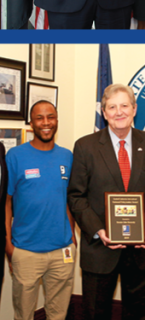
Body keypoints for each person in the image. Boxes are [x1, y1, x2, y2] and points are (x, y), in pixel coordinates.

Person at [68, 84, 145, 320]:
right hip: (100, 249)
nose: (118, 112)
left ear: (134, 109)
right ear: (104, 112)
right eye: (112, 107)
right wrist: (98, 230)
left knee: (138, 314)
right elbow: (76, 196)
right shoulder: (85, 146)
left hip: (142, 250)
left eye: (124, 106)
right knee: (95, 314)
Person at [6, 101, 68, 320]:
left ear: (57, 120)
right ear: (31, 124)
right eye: (39, 118)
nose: (45, 123)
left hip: (63, 252)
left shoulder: (68, 157)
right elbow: (6, 202)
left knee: (58, 314)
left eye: (50, 117)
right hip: (26, 250)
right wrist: (8, 245)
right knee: (23, 314)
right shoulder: (14, 156)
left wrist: (73, 238)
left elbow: (70, 200)